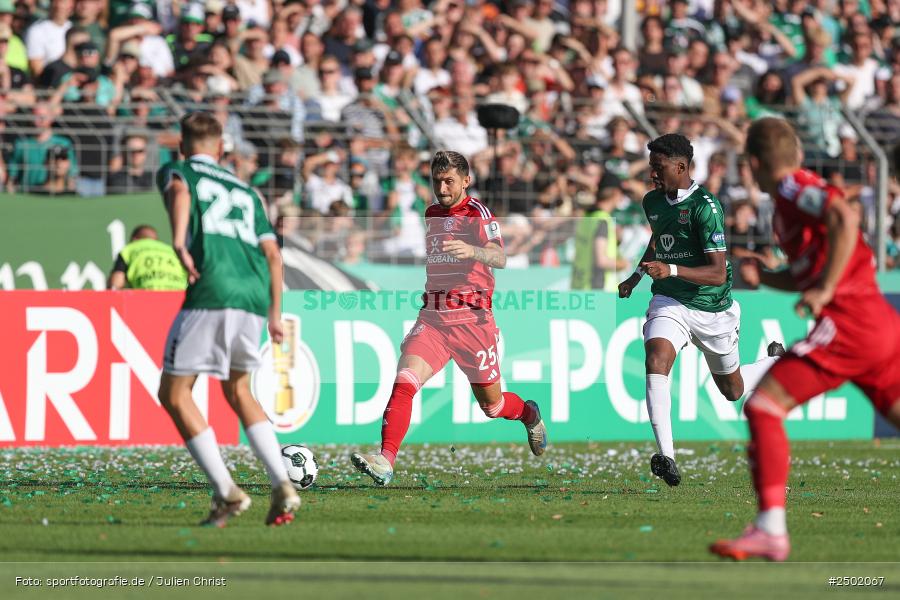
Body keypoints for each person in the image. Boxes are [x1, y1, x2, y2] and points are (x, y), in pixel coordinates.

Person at [710, 118, 900, 562]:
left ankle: (771, 529)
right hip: (874, 326)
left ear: (754, 163)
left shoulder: (792, 187)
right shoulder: (786, 205)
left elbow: (843, 216)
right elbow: (805, 272)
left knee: (763, 406)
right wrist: (768, 276)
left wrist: (827, 289)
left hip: (849, 325)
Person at [350, 151, 548, 486]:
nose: (442, 188)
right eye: (437, 181)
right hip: (434, 318)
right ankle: (385, 460)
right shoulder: (431, 214)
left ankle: (529, 414)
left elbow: (499, 256)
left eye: (449, 181)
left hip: (473, 322)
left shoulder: (478, 213)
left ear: (466, 181)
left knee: (493, 406)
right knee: (405, 380)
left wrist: (473, 251)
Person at [156, 112, 300, 527]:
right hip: (253, 297)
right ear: (221, 148)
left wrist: (180, 242)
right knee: (239, 390)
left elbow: (181, 193)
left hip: (212, 288)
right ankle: (281, 484)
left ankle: (227, 492)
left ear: (183, 145)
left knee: (175, 393)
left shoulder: (178, 170)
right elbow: (274, 255)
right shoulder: (248, 191)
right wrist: (275, 312)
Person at [617, 133, 782, 488]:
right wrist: (635, 276)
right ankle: (667, 456)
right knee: (655, 358)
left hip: (712, 308)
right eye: (651, 167)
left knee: (732, 390)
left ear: (681, 166)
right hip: (670, 300)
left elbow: (717, 271)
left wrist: (672, 269)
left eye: (658, 167)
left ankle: (774, 362)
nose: (652, 174)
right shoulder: (652, 201)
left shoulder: (706, 207)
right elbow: (659, 238)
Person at [571, 186, 628, 291]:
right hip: (598, 289)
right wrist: (623, 264)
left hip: (580, 286)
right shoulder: (602, 220)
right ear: (615, 192)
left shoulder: (587, 217)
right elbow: (601, 260)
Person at [107, 224, 187, 290]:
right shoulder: (172, 250)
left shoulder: (129, 249)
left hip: (147, 297)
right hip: (179, 297)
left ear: (134, 239)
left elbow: (115, 284)